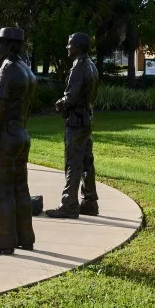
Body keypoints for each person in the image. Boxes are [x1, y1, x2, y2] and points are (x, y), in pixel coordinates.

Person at [0, 27, 38, 254]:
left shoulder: (7, 70)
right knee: (20, 187)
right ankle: (25, 236)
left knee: (1, 190)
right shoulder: (27, 72)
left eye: (0, 44)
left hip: (5, 137)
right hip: (22, 134)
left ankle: (3, 239)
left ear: (11, 46)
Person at [46, 32, 100, 218]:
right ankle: (90, 202)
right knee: (86, 162)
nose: (67, 47)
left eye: (69, 44)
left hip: (76, 121)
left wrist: (60, 103)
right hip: (86, 119)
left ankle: (69, 204)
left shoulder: (79, 67)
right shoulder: (91, 65)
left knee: (73, 162)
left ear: (77, 47)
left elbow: (72, 96)